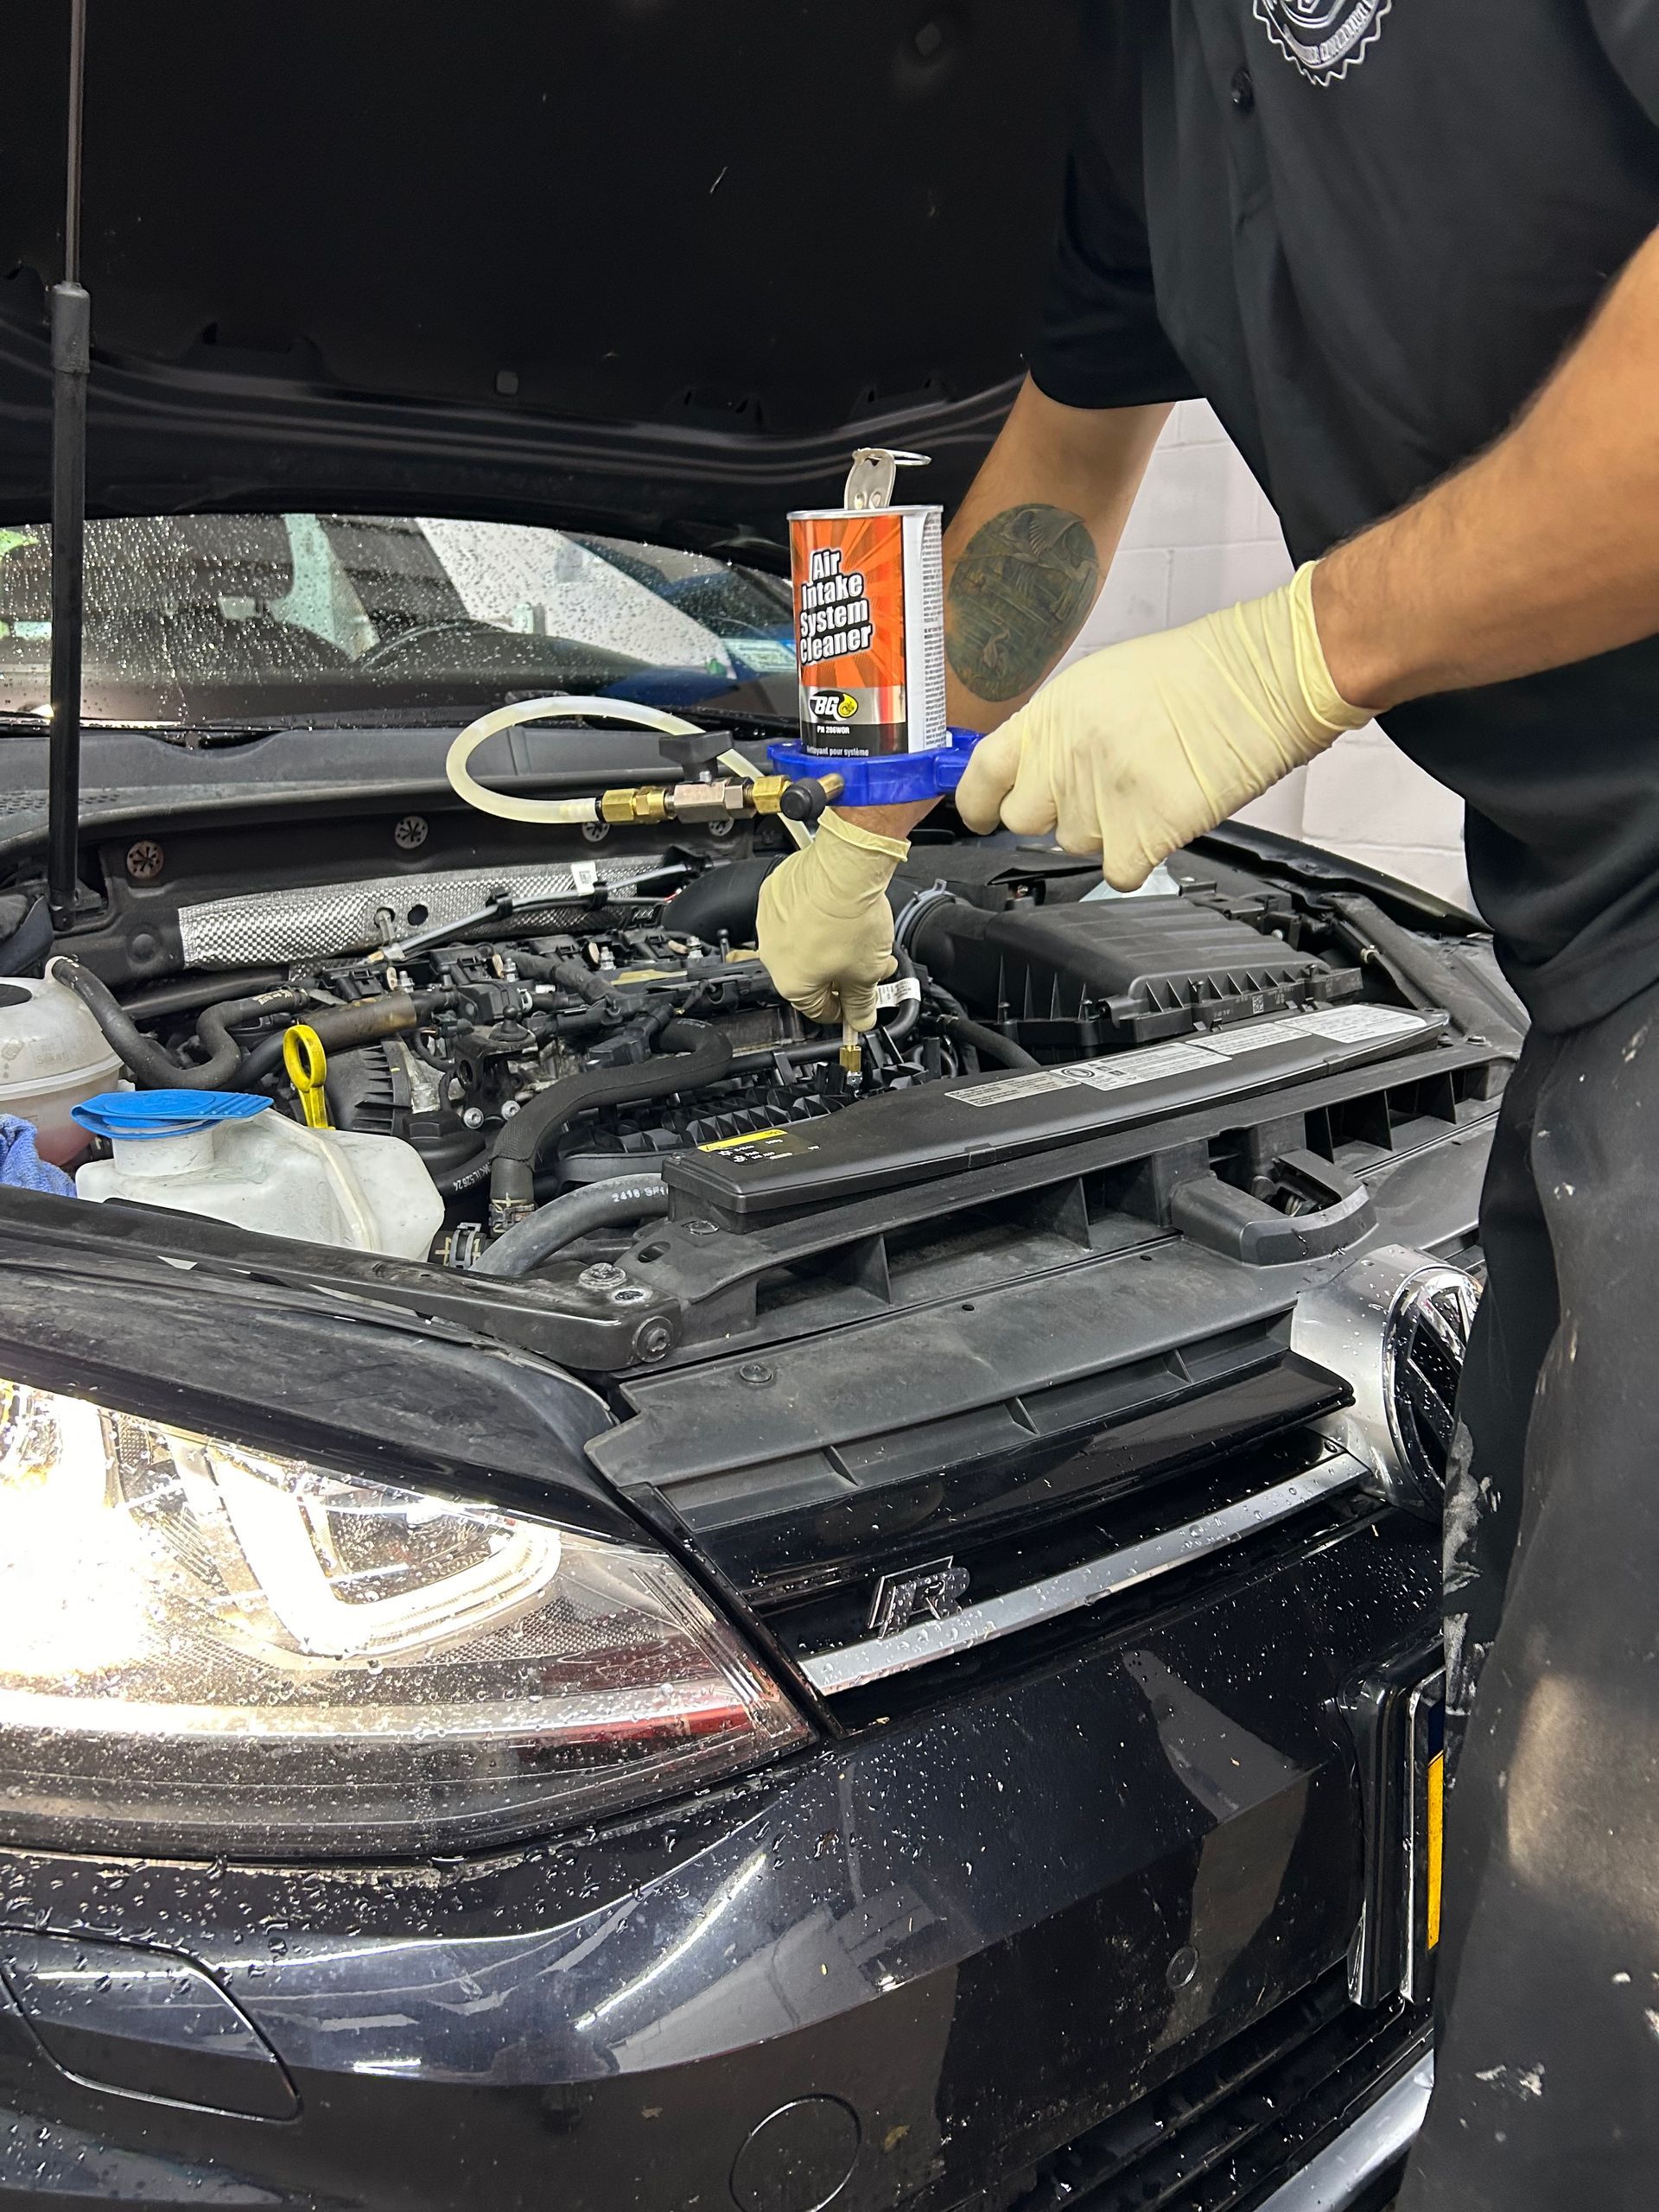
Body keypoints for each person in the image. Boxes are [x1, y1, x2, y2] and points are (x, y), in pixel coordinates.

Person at [756, 8, 1659, 2205]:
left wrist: (1296, 656)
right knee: (1505, 1689)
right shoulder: (1151, 81)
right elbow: (1060, 487)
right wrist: (869, 799)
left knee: (1596, 1933)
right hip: (1596, 971)